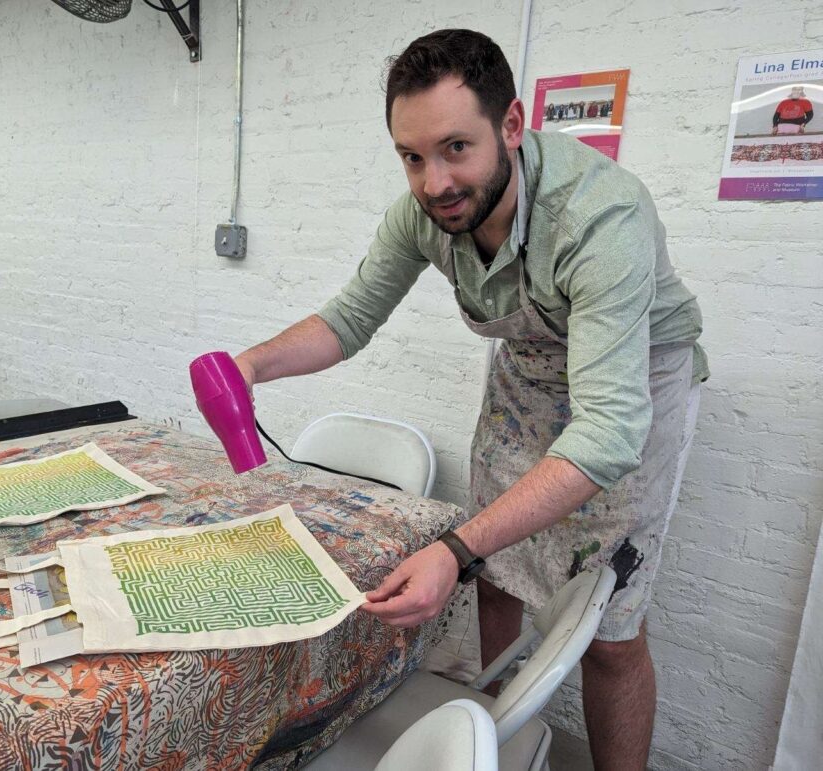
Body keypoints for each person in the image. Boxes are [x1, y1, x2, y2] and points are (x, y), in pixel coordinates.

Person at [233, 29, 707, 771]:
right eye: (412, 156)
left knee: (608, 630)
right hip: (528, 372)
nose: (434, 182)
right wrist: (250, 365)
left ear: (511, 126)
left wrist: (450, 549)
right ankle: (497, 736)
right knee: (497, 572)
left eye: (457, 147)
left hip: (631, 387)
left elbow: (611, 429)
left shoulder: (600, 217)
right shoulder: (421, 211)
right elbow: (349, 318)